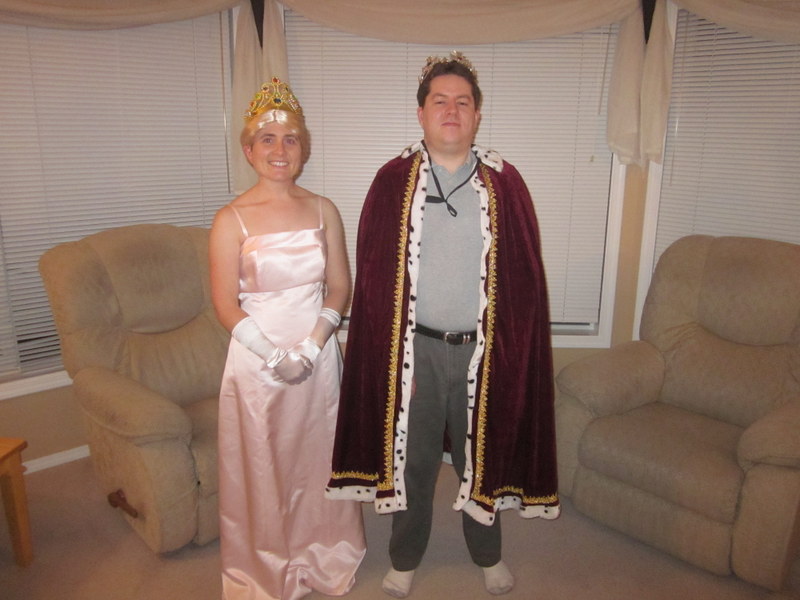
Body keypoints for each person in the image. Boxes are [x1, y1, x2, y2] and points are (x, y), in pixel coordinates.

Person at [325, 52, 560, 598]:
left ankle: (487, 554)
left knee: (484, 456)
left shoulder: (505, 184)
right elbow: (376, 282)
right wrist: (391, 361)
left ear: (477, 115)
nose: (451, 111)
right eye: (440, 101)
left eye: (462, 102)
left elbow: (525, 283)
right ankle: (405, 556)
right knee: (414, 461)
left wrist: (516, 355)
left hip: (485, 350)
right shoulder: (392, 182)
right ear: (421, 113)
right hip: (416, 351)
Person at [211, 77, 366, 600]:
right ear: (249, 149)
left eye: (291, 138)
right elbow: (224, 304)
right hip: (257, 364)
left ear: (304, 148)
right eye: (268, 138)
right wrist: (274, 355)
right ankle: (267, 565)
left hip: (317, 358)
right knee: (263, 464)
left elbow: (340, 287)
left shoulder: (324, 210)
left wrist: (311, 346)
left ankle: (326, 552)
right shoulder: (229, 220)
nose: (280, 149)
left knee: (318, 459)